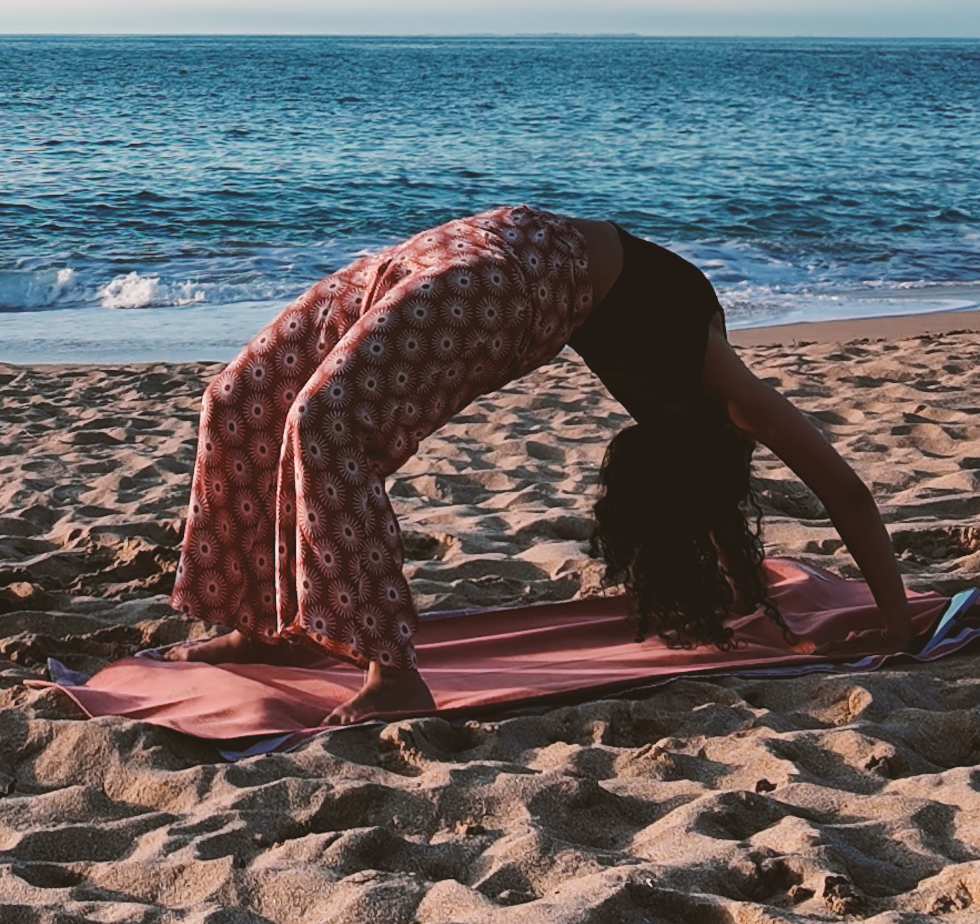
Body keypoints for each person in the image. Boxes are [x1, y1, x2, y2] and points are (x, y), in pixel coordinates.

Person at [164, 205, 913, 724]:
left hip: (496, 273)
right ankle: (259, 622)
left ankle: (393, 676)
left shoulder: (686, 426)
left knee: (325, 425)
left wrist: (772, 620)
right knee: (237, 397)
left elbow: (713, 507)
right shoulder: (725, 393)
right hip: (469, 254)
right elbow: (843, 489)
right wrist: (893, 619)